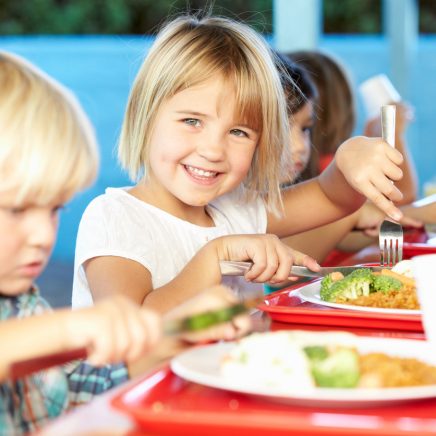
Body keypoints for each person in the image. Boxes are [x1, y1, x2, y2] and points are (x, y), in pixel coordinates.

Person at [72, 14, 407, 314]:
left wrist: (349, 159)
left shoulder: (236, 209)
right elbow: (133, 328)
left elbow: (332, 198)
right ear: (145, 118)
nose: (214, 150)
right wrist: (216, 256)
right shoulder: (115, 217)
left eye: (238, 131)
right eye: (192, 121)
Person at [0, 50, 249, 435]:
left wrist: (167, 336)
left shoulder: (21, 305)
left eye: (53, 210)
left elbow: (64, 399)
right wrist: (70, 329)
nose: (43, 236)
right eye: (17, 210)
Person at [287, 49, 418, 205]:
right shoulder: (333, 169)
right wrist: (391, 132)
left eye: (304, 129)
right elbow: (400, 199)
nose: (299, 146)